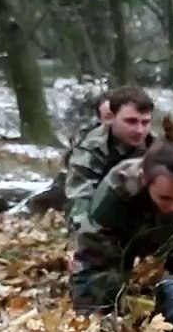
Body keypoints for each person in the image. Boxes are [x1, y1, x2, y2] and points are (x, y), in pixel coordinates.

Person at [70, 134, 173, 313]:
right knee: (99, 298)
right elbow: (92, 248)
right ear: (145, 179)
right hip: (123, 242)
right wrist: (91, 300)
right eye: (166, 197)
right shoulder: (118, 186)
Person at [65, 86, 157, 232]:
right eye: (131, 121)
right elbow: (79, 203)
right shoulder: (91, 149)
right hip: (104, 222)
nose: (140, 130)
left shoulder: (156, 148)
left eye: (145, 122)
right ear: (112, 118)